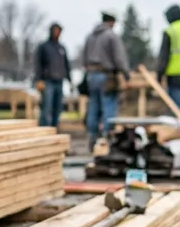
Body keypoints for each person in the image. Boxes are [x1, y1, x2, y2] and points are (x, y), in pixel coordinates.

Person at [81, 11, 129, 149]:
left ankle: (92, 137)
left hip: (91, 75)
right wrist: (125, 74)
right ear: (112, 22)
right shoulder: (111, 36)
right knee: (109, 106)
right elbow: (119, 58)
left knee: (93, 107)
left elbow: (84, 58)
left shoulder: (90, 36)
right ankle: (107, 137)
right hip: (106, 75)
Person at [35, 22, 71, 128]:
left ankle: (54, 126)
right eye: (55, 31)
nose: (57, 33)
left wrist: (69, 79)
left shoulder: (61, 48)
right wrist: (39, 79)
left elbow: (66, 64)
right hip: (48, 81)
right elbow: (38, 64)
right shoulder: (44, 47)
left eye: (58, 31)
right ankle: (45, 127)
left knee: (57, 106)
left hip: (59, 81)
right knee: (47, 105)